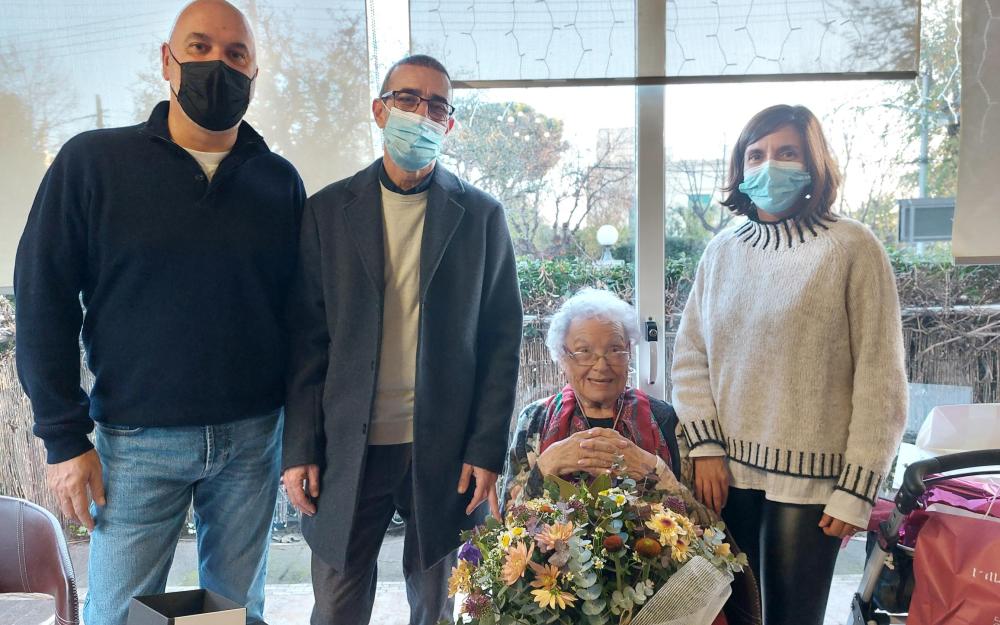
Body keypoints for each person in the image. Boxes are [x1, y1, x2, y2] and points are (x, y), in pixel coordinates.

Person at [13, 2, 304, 624]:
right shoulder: (92, 164)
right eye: (199, 48)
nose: (216, 66)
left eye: (236, 55)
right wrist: (65, 439)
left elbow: (299, 316)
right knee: (117, 613)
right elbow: (43, 296)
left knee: (229, 612)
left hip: (252, 440)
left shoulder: (278, 183)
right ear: (167, 61)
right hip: (138, 442)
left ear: (253, 73)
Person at [281, 54, 523, 625]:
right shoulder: (327, 212)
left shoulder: (482, 217)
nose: (422, 112)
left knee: (439, 608)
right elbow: (306, 344)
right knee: (337, 606)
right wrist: (299, 449)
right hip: (347, 447)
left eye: (437, 105)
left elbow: (500, 342)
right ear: (379, 110)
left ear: (450, 124)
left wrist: (487, 448)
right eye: (408, 98)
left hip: (442, 448)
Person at [670, 104, 907, 625]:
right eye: (755, 154)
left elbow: (880, 382)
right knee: (727, 618)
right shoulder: (721, 252)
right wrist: (704, 446)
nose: (768, 164)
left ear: (812, 162)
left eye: (786, 152)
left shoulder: (852, 247)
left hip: (812, 488)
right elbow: (690, 358)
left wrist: (857, 489)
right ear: (739, 167)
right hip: (725, 478)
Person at [500, 288, 761, 625]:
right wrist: (546, 465)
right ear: (562, 358)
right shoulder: (535, 421)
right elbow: (509, 527)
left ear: (630, 355)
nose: (601, 365)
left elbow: (710, 531)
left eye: (615, 350)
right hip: (556, 595)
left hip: (662, 592)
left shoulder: (666, 421)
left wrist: (657, 472)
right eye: (583, 351)